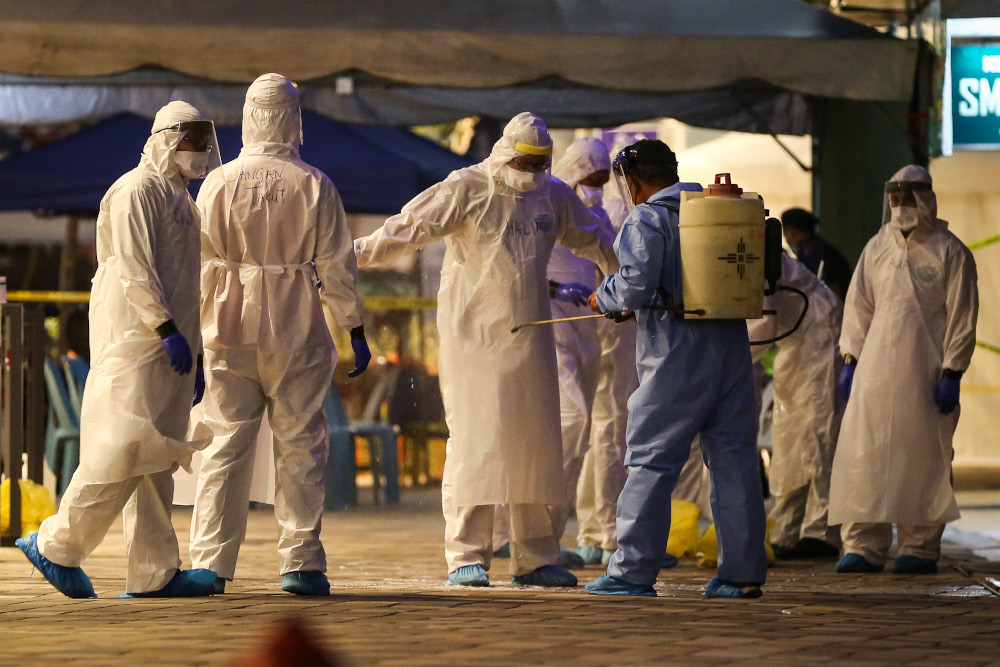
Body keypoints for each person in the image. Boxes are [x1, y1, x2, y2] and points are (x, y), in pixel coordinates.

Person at [355, 112, 618, 588]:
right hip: (472, 337)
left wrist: (626, 280)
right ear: (502, 151)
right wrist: (343, 258)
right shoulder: (466, 187)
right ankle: (466, 555)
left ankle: (536, 556)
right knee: (475, 443)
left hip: (531, 339)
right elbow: (405, 229)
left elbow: (595, 237)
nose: (528, 170)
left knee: (537, 443)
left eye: (538, 162)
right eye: (522, 160)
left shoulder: (552, 193)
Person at [16, 101, 220, 598]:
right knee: (121, 450)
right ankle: (55, 543)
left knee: (155, 461)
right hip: (136, 341)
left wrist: (192, 352)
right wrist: (164, 327)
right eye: (191, 139)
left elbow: (186, 281)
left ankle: (155, 572)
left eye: (203, 139)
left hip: (170, 345)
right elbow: (133, 269)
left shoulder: (182, 202)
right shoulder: (135, 192)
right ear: (167, 138)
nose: (201, 150)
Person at [189, 74, 370, 597]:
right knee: (301, 446)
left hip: (226, 328)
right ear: (295, 118)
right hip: (297, 329)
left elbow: (199, 264)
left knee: (224, 444)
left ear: (247, 116)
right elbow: (337, 265)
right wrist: (353, 326)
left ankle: (210, 563)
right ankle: (301, 561)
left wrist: (195, 334)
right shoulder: (315, 183)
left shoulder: (219, 183)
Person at [584, 139, 768, 599]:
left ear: (632, 179)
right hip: (730, 347)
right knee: (735, 461)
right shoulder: (715, 210)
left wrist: (604, 297)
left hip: (675, 353)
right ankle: (741, 575)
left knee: (651, 460)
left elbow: (634, 284)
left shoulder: (647, 218)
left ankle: (631, 572)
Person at [830, 165, 978, 575]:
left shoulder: (950, 251)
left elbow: (963, 315)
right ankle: (863, 544)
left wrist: (953, 371)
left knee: (924, 457)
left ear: (926, 198)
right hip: (874, 373)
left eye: (908, 198)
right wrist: (850, 359)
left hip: (925, 373)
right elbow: (858, 309)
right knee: (867, 453)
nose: (901, 206)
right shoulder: (876, 247)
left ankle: (919, 545)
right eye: (895, 198)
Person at [494, 137, 614, 568]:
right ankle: (518, 531)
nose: (595, 188)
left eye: (602, 180)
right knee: (570, 419)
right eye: (590, 178)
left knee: (577, 437)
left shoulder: (594, 217)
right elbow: (516, 266)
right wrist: (554, 290)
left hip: (586, 333)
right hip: (546, 328)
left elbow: (613, 261)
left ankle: (548, 534)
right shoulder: (542, 205)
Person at [748, 252, 844, 560]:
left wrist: (719, 353)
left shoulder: (750, 251)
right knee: (790, 441)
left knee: (818, 437)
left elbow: (763, 323)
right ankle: (787, 528)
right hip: (794, 344)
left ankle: (821, 532)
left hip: (819, 339)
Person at [574, 184, 638, 567]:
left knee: (604, 436)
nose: (593, 188)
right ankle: (607, 533)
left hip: (605, 331)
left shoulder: (594, 214)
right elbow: (628, 278)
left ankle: (595, 532)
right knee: (610, 434)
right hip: (612, 330)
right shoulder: (619, 218)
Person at [781, 208, 852, 301]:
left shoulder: (814, 252)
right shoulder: (811, 248)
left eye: (785, 230)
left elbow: (832, 289)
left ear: (792, 232)